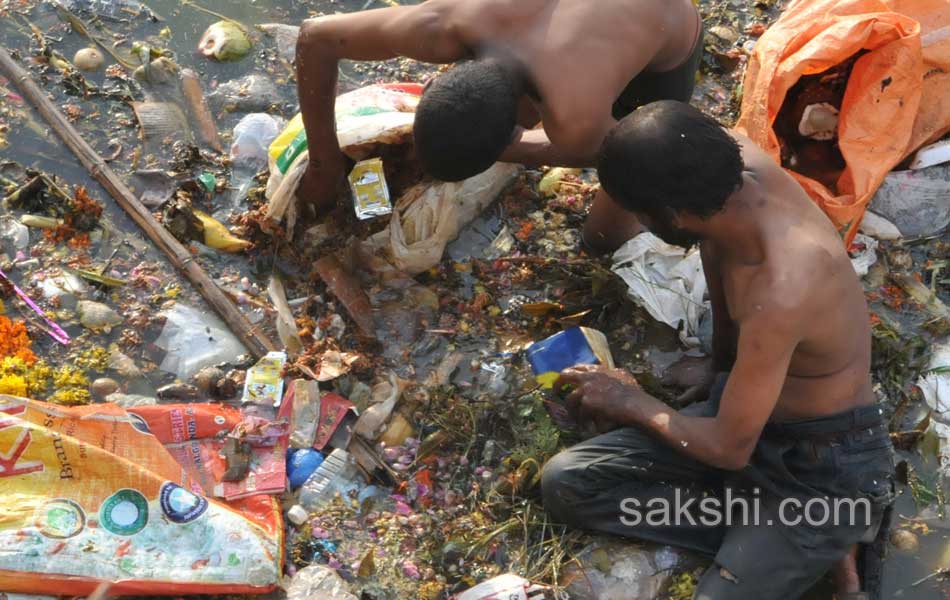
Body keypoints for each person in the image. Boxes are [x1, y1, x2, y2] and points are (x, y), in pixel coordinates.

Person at [540, 101, 895, 600]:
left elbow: (729, 449)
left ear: (671, 215)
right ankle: (785, 539)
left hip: (824, 465)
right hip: (747, 419)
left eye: (641, 214)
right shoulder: (721, 174)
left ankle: (824, 530)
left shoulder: (785, 283)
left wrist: (632, 402)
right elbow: (714, 250)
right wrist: (718, 364)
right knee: (567, 483)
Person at [295, 0, 704, 253]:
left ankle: (605, 239)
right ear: (438, 79)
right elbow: (315, 37)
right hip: (572, 27)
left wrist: (519, 149)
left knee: (604, 235)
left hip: (664, 28)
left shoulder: (576, 118)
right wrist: (323, 161)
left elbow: (622, 160)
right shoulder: (444, 22)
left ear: (512, 136)